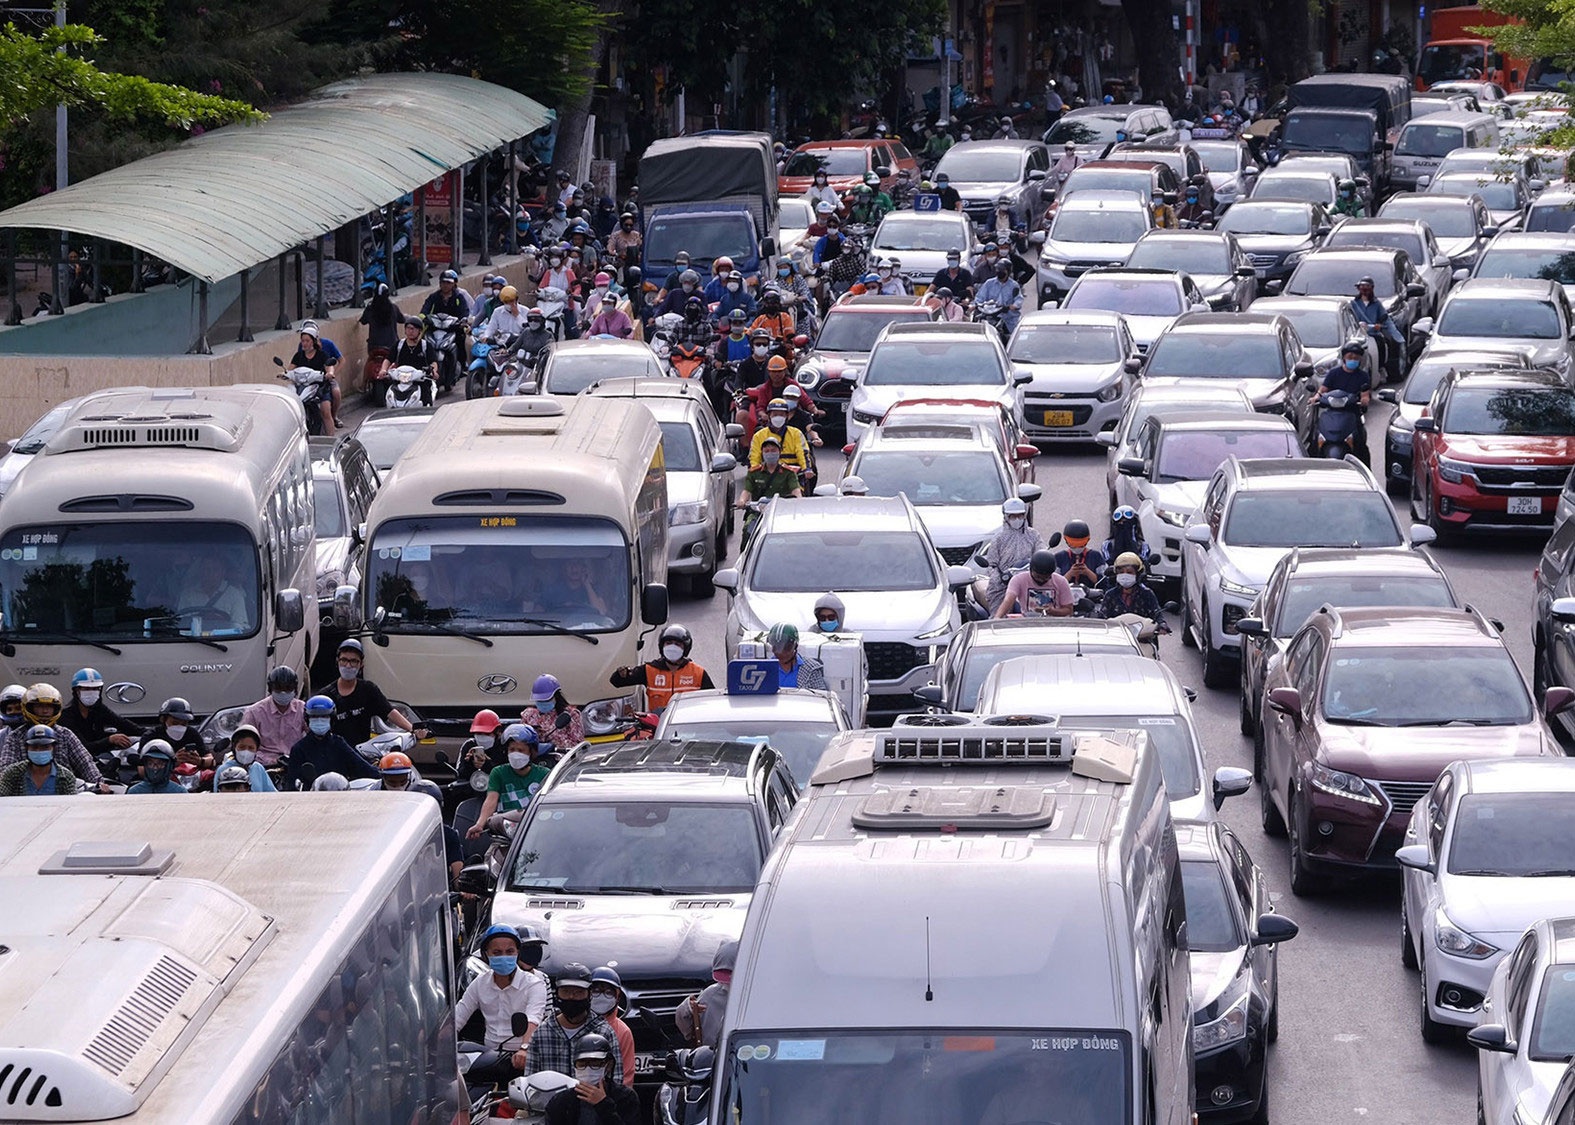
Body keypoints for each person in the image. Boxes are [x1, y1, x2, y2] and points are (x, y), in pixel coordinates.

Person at [455, 924, 550, 1081]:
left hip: (523, 1058)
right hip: (488, 1058)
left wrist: (524, 1049)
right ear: (486, 955)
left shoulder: (534, 984)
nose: (504, 956)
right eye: (497, 953)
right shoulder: (480, 983)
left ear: (518, 953)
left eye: (509, 952)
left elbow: (533, 1018)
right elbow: (458, 1016)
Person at [528, 965, 625, 1081]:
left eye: (578, 992)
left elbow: (617, 1080)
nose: (571, 997)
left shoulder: (604, 1032)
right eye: (566, 991)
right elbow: (530, 1081)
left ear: (589, 995)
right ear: (557, 994)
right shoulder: (542, 1034)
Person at [318, 638, 418, 746]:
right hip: (335, 754)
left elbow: (390, 712)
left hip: (363, 753)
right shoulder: (325, 695)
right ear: (337, 662)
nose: (348, 666)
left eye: (353, 661)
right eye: (344, 660)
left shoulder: (368, 690)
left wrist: (413, 729)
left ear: (361, 664)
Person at [0, 684, 104, 787]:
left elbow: (85, 763)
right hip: (24, 794)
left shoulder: (65, 735)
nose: (45, 711)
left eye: (49, 706)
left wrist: (99, 784)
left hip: (63, 793)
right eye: (40, 706)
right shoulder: (15, 737)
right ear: (29, 708)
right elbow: (6, 766)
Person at [466, 724, 550, 838]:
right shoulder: (498, 773)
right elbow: (491, 801)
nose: (516, 754)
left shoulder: (544, 774)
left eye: (521, 750)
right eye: (512, 749)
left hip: (535, 832)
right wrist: (480, 824)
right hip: (505, 832)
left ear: (531, 753)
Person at [609, 624, 714, 711]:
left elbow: (712, 700)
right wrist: (621, 674)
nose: (673, 647)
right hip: (658, 728)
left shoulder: (698, 673)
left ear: (685, 648)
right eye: (668, 643)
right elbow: (616, 682)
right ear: (662, 647)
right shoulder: (649, 670)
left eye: (678, 644)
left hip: (687, 726)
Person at [542, 1032, 640, 1125]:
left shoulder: (625, 1098)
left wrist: (603, 1105)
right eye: (582, 1063)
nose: (588, 1069)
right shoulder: (560, 1102)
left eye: (595, 1063)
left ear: (608, 1065)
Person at [284, 695, 378, 790]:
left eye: (324, 716)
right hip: (311, 800)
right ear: (307, 719)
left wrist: (387, 774)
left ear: (331, 718)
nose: (319, 720)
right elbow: (291, 786)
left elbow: (363, 768)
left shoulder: (339, 744)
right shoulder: (299, 749)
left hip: (340, 797)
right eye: (314, 717)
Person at [58, 667, 138, 758]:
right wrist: (109, 740)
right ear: (76, 691)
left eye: (95, 689)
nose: (91, 692)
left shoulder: (99, 709)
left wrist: (151, 734)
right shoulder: (66, 716)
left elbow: (122, 723)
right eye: (86, 689)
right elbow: (82, 747)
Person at [982, 497, 1043, 613]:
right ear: (1005, 516)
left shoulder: (1033, 535)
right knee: (998, 617)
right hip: (1003, 585)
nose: (1017, 519)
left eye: (1020, 515)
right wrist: (1000, 578)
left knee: (1042, 612)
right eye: (1012, 516)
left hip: (1030, 581)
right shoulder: (998, 539)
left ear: (1025, 515)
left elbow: (1041, 553)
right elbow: (991, 565)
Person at [1318, 338, 1373, 462]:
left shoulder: (1363, 376)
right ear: (1344, 358)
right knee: (1316, 438)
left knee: (1360, 444)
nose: (1353, 360)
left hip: (1352, 414)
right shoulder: (1334, 373)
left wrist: (1364, 400)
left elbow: (1365, 394)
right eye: (1350, 357)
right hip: (1332, 414)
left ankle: (1364, 470)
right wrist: (1316, 397)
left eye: (1356, 358)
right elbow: (1323, 390)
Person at [675, 940, 737, 1050]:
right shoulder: (711, 995)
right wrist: (688, 1008)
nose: (727, 984)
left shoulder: (758, 994)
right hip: (711, 1056)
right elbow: (685, 1025)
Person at [241, 666, 305, 767]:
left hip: (295, 763)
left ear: (295, 689)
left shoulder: (303, 709)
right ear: (271, 689)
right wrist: (270, 761)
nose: (283, 692)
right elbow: (244, 745)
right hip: (263, 766)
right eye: (278, 689)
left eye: (288, 688)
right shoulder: (254, 712)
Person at [1094, 552, 1169, 630]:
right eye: (1121, 572)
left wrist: (1162, 624)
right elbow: (1102, 617)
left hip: (1144, 636)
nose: (1125, 575)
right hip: (1117, 636)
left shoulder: (1146, 594)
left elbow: (1157, 614)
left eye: (1129, 572)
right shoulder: (1110, 595)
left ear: (1137, 574)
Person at [589, 967, 637, 1089]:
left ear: (618, 997)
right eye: (596, 991)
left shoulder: (623, 1031)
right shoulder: (578, 1023)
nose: (601, 996)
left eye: (608, 992)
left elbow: (626, 1076)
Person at [177, 553, 250, 631]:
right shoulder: (187, 594)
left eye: (215, 569)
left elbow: (241, 627)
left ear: (223, 572)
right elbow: (181, 624)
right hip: (190, 640)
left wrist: (222, 622)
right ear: (200, 572)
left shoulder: (235, 595)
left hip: (227, 640)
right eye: (207, 569)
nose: (210, 573)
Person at [1350, 275, 1404, 382]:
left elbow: (1385, 319)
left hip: (1373, 334)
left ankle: (1380, 368)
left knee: (1382, 345)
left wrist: (1385, 329)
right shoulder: (1353, 304)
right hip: (1358, 335)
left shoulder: (1377, 304)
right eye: (1362, 287)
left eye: (1367, 287)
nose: (1364, 290)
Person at [994, 549, 1076, 618]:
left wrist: (1052, 611)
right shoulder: (1018, 579)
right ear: (1031, 570)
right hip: (1028, 623)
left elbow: (1069, 610)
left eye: (1046, 577)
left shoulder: (1061, 581)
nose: (1041, 580)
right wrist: (997, 618)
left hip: (1054, 624)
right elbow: (1008, 600)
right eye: (1038, 577)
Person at [290, 321, 342, 431]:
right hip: (303, 387)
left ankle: (330, 440)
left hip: (320, 387)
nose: (304, 344)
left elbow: (329, 366)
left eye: (307, 341)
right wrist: (286, 374)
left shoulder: (322, 355)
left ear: (313, 341)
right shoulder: (298, 355)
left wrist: (330, 373)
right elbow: (291, 368)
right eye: (303, 341)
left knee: (326, 410)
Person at [0, 725, 78, 796]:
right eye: (34, 747)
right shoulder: (13, 773)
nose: (39, 751)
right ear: (27, 749)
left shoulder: (65, 777)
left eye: (45, 747)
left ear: (54, 748)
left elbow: (72, 806)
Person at [136, 696, 210, 769]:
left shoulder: (192, 733)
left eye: (184, 724)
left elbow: (210, 759)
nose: (179, 726)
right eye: (175, 723)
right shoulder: (151, 736)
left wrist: (200, 761)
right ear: (163, 719)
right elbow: (141, 769)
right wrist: (173, 762)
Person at [746, 388, 812, 470]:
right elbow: (754, 457)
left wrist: (806, 469)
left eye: (781, 414)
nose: (778, 417)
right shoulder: (759, 436)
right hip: (767, 475)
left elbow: (803, 453)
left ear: (786, 416)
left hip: (792, 476)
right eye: (775, 414)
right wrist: (755, 470)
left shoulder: (796, 434)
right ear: (769, 416)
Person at [737, 434, 804, 506]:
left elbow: (795, 490)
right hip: (758, 510)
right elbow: (747, 491)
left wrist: (798, 500)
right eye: (766, 451)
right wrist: (742, 501)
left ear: (779, 452)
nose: (770, 453)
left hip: (782, 509)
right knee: (750, 517)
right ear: (762, 453)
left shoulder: (789, 472)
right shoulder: (753, 473)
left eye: (773, 450)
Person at [520, 674, 584, 749]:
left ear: (556, 697)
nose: (543, 703)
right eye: (539, 700)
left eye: (546, 700)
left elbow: (578, 746)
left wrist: (554, 740)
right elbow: (521, 741)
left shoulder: (571, 714)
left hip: (561, 757)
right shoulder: (529, 715)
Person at [212, 724, 277, 792]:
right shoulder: (222, 769)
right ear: (234, 748)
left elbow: (272, 793)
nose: (246, 751)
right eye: (242, 747)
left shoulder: (258, 768)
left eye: (251, 748)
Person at [359, 283, 401, 387]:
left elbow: (363, 321)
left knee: (370, 360)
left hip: (374, 346)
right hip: (391, 345)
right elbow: (402, 319)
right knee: (398, 362)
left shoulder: (370, 308)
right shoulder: (393, 308)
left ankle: (363, 384)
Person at [766, 623, 828, 690]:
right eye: (776, 647)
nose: (781, 653)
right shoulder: (765, 669)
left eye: (786, 647)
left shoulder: (812, 669)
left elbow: (820, 696)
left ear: (795, 646)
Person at [1101, 506, 1156, 576]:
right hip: (1114, 579)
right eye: (1120, 523)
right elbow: (1108, 561)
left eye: (1127, 523)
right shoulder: (1107, 545)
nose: (1124, 526)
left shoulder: (1143, 546)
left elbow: (1142, 561)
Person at [974, 259, 1024, 336]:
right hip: (990, 316)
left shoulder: (1014, 285)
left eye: (1002, 270)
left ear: (1008, 271)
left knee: (1012, 337)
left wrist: (1013, 306)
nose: (999, 271)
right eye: (997, 269)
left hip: (1008, 319)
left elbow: (1018, 299)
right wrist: (978, 304)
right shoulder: (989, 283)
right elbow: (979, 297)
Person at [1054, 519, 1108, 587]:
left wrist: (1087, 572)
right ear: (1066, 540)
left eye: (1081, 543)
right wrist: (1070, 574)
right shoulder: (1059, 557)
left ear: (1088, 539)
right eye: (1073, 544)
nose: (1077, 547)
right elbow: (1054, 584)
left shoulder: (1096, 556)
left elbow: (1104, 582)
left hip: (1091, 595)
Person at [391, 316, 439, 384]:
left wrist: (434, 372)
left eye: (414, 329)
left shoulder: (425, 345)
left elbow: (433, 362)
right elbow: (388, 359)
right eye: (408, 328)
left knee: (425, 392)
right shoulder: (399, 344)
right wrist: (383, 370)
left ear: (419, 331)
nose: (411, 331)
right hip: (401, 381)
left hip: (420, 381)